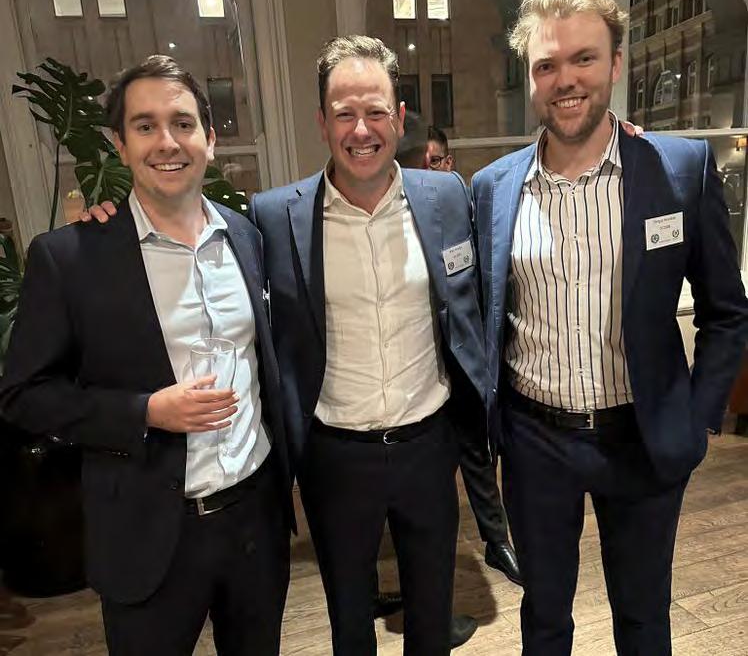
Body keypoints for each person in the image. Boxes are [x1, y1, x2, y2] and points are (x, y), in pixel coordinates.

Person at [471, 0, 748, 656]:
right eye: (546, 64)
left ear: (616, 63)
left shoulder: (680, 170)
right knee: (544, 619)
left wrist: (698, 416)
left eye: (584, 58)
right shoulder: (492, 189)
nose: (565, 79)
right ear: (530, 76)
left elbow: (727, 312)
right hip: (534, 441)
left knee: (644, 618)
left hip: (642, 436)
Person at [0, 56, 294, 656]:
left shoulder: (246, 236)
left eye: (183, 124)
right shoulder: (72, 258)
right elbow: (23, 396)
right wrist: (145, 411)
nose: (167, 142)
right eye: (145, 125)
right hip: (147, 531)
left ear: (210, 139)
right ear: (120, 143)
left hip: (254, 520)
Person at [251, 35, 488, 655]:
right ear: (322, 123)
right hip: (335, 457)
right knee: (349, 625)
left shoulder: (445, 197)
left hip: (428, 448)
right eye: (344, 113)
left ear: (400, 118)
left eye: (376, 111)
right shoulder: (274, 216)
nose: (362, 130)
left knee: (431, 618)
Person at [400, 116, 522, 585]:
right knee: (426, 488)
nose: (427, 171)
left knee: (477, 452)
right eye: (420, 163)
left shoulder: (459, 204)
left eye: (435, 162)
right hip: (412, 370)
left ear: (448, 164)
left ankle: (496, 540)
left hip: (462, 357)